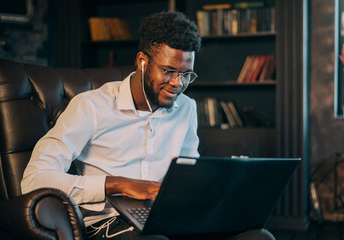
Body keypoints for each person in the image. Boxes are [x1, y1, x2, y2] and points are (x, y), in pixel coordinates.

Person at [21, 11, 275, 240]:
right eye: (168, 71)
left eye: (187, 74)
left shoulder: (186, 107)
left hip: (171, 217)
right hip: (109, 222)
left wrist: (219, 183)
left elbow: (187, 172)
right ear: (142, 61)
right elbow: (34, 179)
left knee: (258, 236)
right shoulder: (90, 106)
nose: (178, 83)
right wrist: (118, 184)